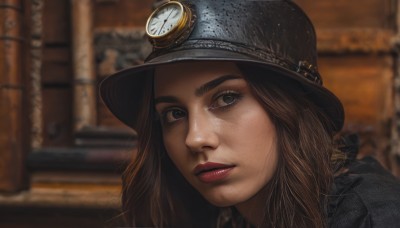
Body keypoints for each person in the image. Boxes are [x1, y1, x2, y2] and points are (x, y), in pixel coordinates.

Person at [100, 0, 400, 227]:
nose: (195, 138)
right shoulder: (206, 212)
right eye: (174, 114)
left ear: (290, 106)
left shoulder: (375, 217)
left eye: (227, 97)